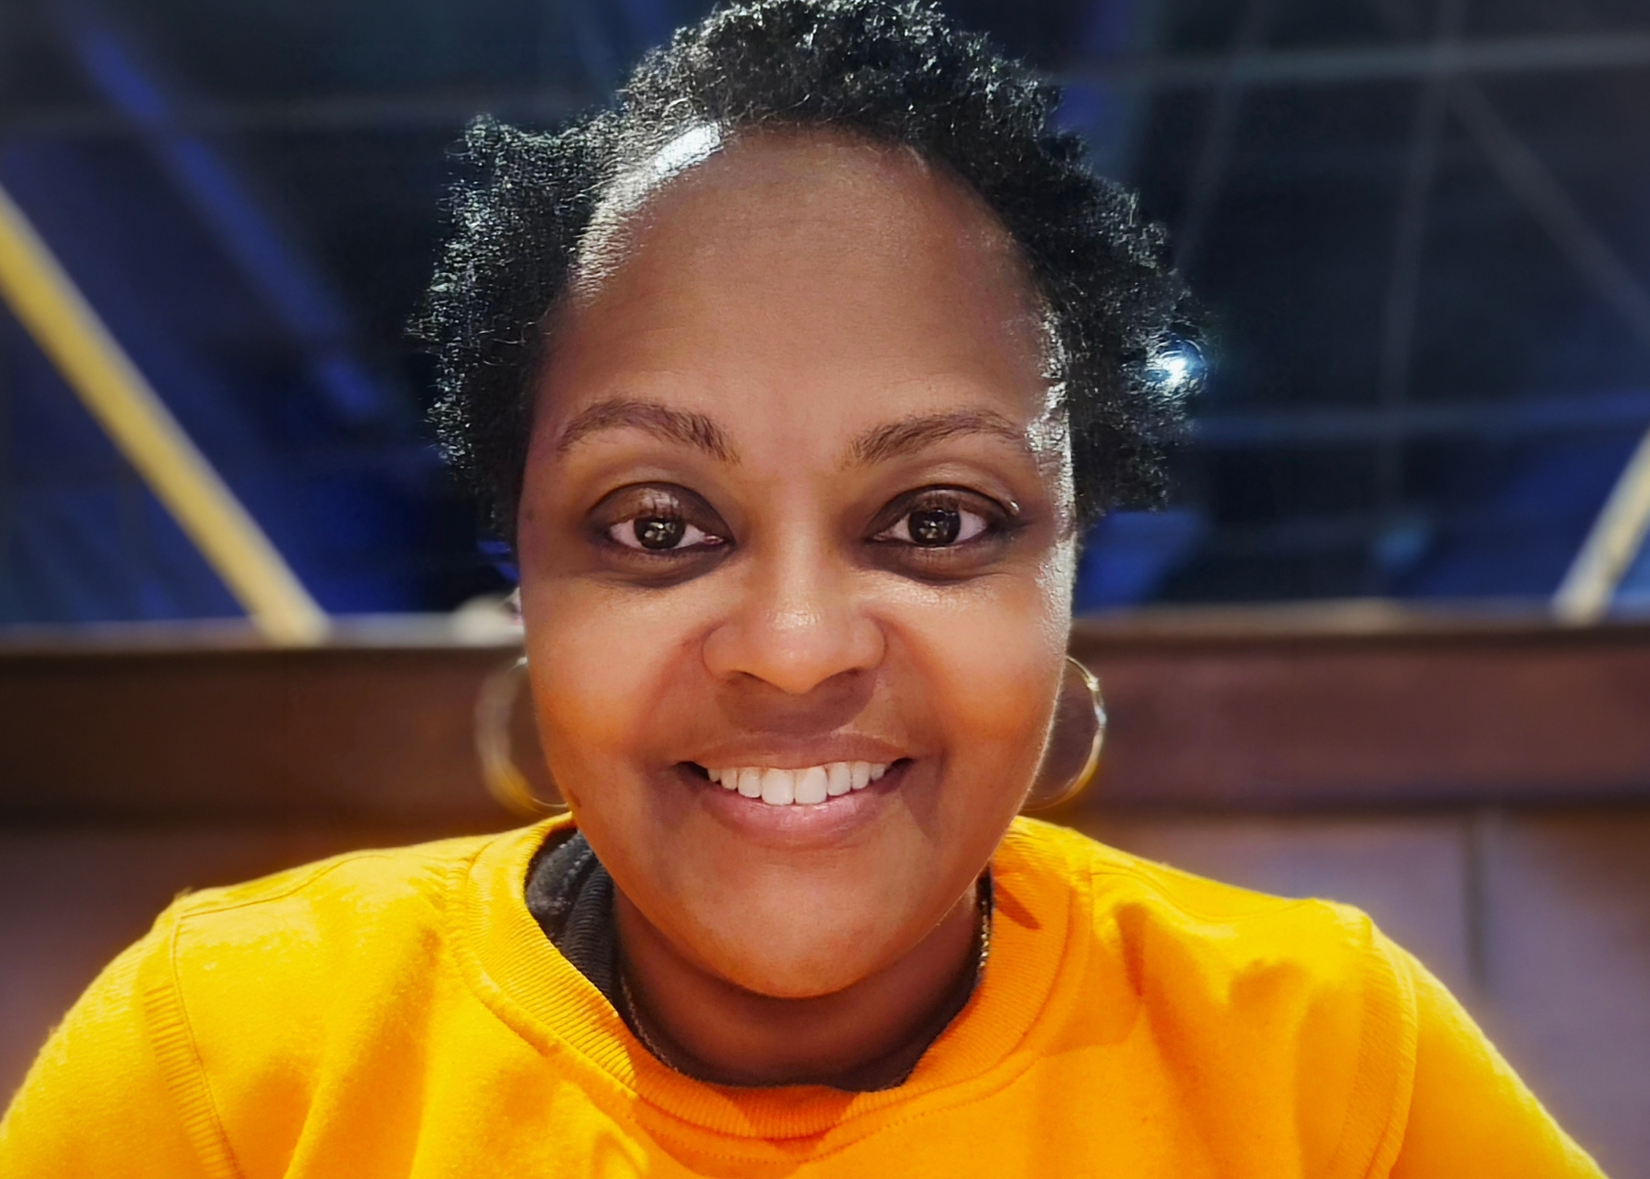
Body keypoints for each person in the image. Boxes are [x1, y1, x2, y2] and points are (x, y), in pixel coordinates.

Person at [0, 1, 1607, 1175]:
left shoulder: (1324, 1069)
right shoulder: (230, 1063)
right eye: (652, 525)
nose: (789, 652)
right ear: (527, 586)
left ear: (1065, 576)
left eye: (930, 521)